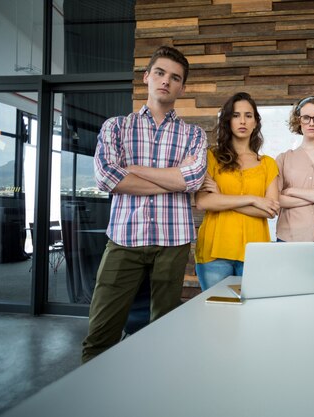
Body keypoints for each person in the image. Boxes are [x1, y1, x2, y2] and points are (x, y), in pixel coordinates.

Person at [83, 46, 207, 362]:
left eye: (175, 77)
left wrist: (133, 169)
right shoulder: (116, 126)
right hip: (124, 238)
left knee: (165, 333)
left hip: (173, 241)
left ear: (182, 87)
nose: (166, 81)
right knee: (101, 333)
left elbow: (191, 180)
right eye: (160, 73)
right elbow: (107, 178)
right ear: (147, 76)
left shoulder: (194, 134)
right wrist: (172, 179)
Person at [194, 92, 280, 290]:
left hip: (255, 253)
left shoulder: (268, 164)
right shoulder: (211, 157)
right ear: (227, 121)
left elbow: (270, 210)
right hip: (215, 252)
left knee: (252, 316)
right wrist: (253, 199)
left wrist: (220, 198)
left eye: (248, 116)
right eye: (236, 115)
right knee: (218, 314)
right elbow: (203, 202)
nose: (242, 121)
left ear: (256, 122)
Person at [275, 96, 314, 280]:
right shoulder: (283, 158)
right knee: (290, 296)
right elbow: (276, 199)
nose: (311, 123)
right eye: (306, 117)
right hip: (290, 237)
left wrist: (292, 191)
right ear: (298, 120)